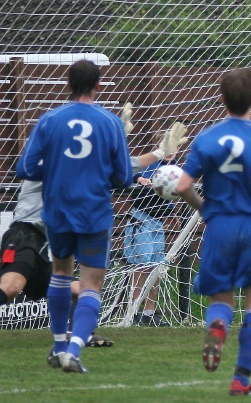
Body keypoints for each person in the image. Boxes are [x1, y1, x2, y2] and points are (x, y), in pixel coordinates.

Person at [176, 68, 251, 396]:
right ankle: (241, 379)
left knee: (221, 297)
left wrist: (204, 208)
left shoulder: (207, 138)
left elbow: (183, 185)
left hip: (220, 224)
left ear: (222, 100)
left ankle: (218, 326)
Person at [16, 60, 134, 373]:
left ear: (68, 84)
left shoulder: (49, 119)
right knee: (92, 283)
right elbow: (124, 178)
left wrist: (57, 169)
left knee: (61, 274)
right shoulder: (110, 123)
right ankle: (75, 349)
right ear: (98, 85)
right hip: (93, 212)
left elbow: (25, 168)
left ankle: (58, 346)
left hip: (57, 211)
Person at [123, 158, 181, 327]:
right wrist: (139, 179)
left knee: (157, 267)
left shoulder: (173, 168)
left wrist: (171, 213)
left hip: (158, 223)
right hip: (141, 219)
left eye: (176, 146)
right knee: (141, 266)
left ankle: (149, 313)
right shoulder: (151, 162)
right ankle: (133, 313)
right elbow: (131, 172)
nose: (173, 150)